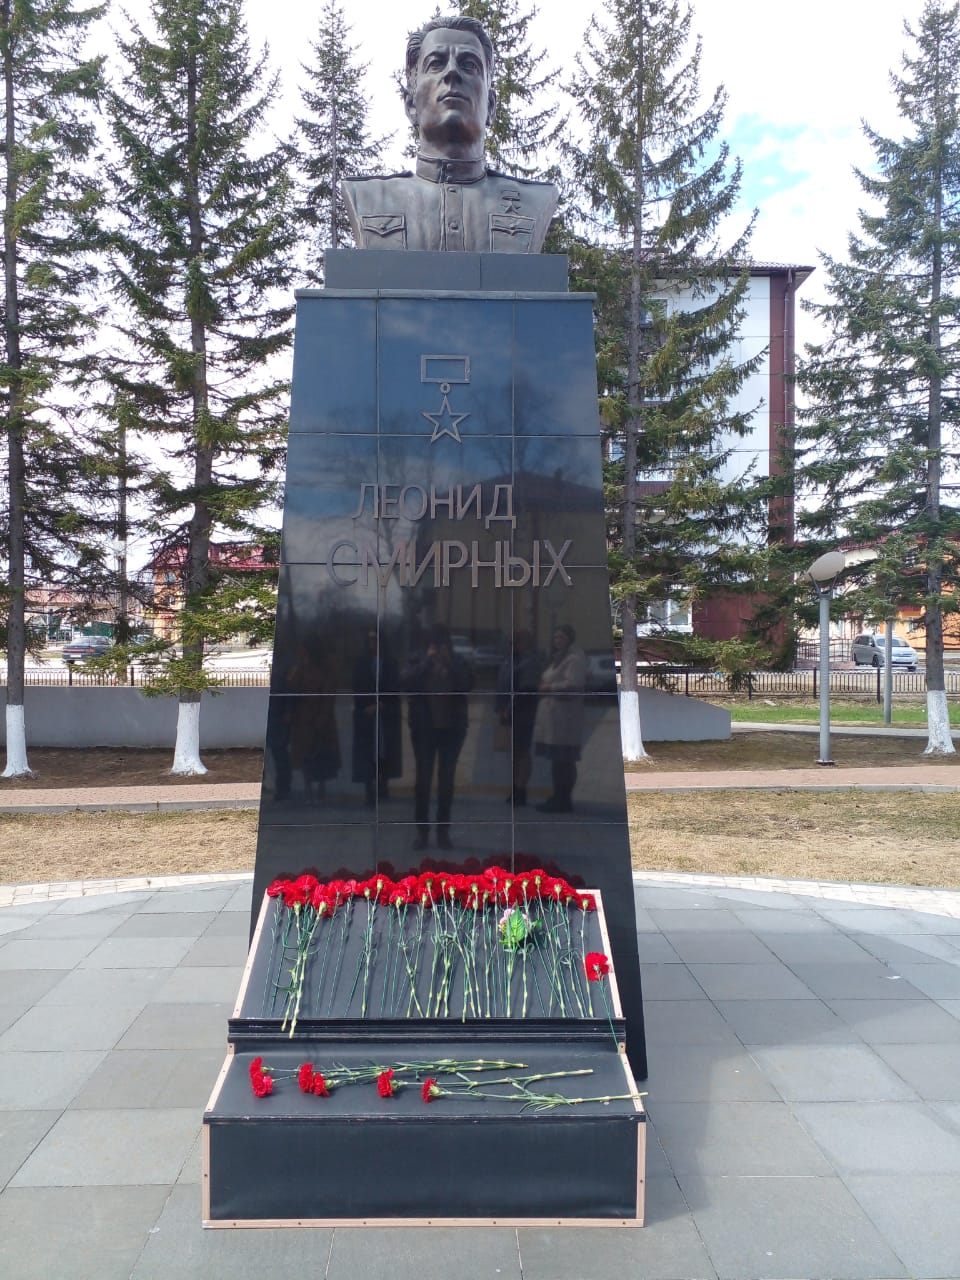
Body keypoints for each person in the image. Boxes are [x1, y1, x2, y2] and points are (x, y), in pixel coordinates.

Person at [342, 15, 557, 253]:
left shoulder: (534, 201)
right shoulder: (368, 198)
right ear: (411, 105)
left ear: (491, 106)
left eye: (469, 65)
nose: (452, 72)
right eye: (435, 63)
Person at [402, 623, 474, 850]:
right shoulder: (417, 660)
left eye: (442, 643)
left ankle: (443, 831)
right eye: (434, 643)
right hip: (424, 730)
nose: (438, 647)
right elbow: (405, 682)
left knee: (446, 781)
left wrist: (449, 664)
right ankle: (422, 832)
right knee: (422, 781)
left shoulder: (458, 661)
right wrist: (427, 663)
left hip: (451, 730)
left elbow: (468, 684)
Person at [533, 624, 585, 813]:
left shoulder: (574, 660)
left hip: (565, 718)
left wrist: (549, 688)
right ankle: (557, 796)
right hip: (552, 719)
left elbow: (573, 685)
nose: (558, 641)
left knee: (564, 761)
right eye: (555, 638)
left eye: (561, 637)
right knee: (557, 761)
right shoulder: (556, 658)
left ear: (569, 639)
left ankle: (564, 799)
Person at [351, 630, 402, 807]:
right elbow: (357, 687)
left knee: (384, 750)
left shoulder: (390, 663)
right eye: (370, 640)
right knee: (367, 752)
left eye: (376, 640)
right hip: (366, 715)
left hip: (386, 715)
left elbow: (394, 688)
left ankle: (383, 783)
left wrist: (382, 704)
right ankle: (369, 788)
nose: (373, 644)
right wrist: (366, 707)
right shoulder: (361, 663)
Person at [495, 628, 543, 806]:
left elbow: (527, 689)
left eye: (514, 642)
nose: (511, 646)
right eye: (509, 643)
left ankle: (521, 789)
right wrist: (500, 707)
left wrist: (510, 706)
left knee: (522, 751)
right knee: (514, 752)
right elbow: (502, 684)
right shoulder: (510, 660)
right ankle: (515, 787)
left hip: (523, 712)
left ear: (524, 643)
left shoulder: (530, 661)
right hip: (509, 711)